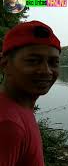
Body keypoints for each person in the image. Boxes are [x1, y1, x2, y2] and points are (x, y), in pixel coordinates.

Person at [0, 21, 61, 165]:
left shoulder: (19, 108)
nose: (46, 71)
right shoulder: (8, 125)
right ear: (5, 64)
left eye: (54, 62)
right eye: (33, 61)